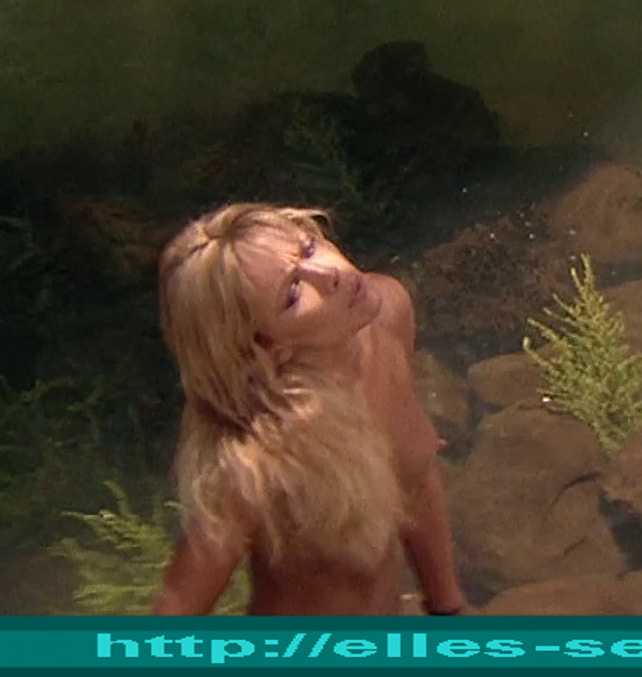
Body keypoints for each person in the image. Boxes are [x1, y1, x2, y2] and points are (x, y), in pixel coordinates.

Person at [151, 203, 467, 616]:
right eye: (293, 295)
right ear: (268, 348)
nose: (330, 273)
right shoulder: (256, 454)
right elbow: (176, 609)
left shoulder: (387, 312)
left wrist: (447, 609)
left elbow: (417, 479)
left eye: (308, 248)